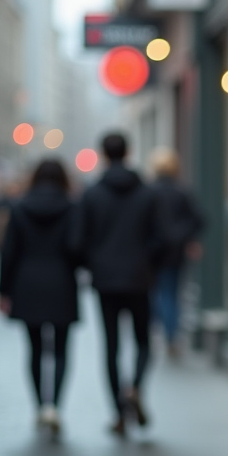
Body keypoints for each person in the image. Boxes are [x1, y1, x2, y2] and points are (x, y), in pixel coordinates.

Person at [78, 132, 160, 436]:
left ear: (102, 154)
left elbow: (78, 240)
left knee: (111, 346)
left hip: (106, 280)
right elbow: (160, 237)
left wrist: (93, 265)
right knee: (143, 341)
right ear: (129, 152)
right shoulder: (147, 193)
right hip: (140, 278)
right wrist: (151, 265)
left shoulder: (92, 194)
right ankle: (135, 387)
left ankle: (118, 412)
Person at [0, 160, 81, 435]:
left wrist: (3, 290)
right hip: (61, 283)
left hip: (27, 283)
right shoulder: (71, 208)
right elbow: (76, 247)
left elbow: (8, 252)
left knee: (34, 350)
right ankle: (54, 406)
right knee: (60, 350)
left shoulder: (20, 208)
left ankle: (39, 406)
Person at [148, 148, 204, 358]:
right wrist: (181, 237)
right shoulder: (182, 192)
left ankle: (165, 331)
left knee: (159, 293)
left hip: (156, 253)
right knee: (171, 292)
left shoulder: (149, 192)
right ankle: (171, 334)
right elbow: (197, 220)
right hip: (176, 252)